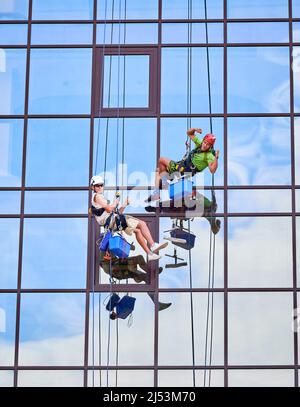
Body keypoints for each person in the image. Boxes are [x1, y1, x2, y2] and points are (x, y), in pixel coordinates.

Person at [91, 175, 168, 261]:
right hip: (114, 221)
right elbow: (109, 209)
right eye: (97, 185)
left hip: (114, 222)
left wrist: (124, 204)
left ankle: (149, 254)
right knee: (142, 224)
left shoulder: (100, 200)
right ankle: (153, 245)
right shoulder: (97, 196)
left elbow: (117, 213)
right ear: (93, 187)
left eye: (101, 185)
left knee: (138, 231)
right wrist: (115, 203)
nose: (100, 187)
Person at [146, 127, 220, 202]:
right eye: (205, 142)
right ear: (203, 140)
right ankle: (156, 194)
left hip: (184, 170)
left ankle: (165, 183)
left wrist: (216, 158)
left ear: (210, 147)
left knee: (162, 160)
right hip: (181, 166)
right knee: (158, 171)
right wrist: (194, 129)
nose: (204, 145)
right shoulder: (199, 143)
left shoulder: (209, 156)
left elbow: (212, 170)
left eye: (207, 145)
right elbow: (189, 133)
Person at [99, 251, 172, 312]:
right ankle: (151, 273)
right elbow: (107, 268)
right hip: (118, 269)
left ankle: (157, 304)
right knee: (139, 259)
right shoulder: (103, 247)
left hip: (121, 268)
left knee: (147, 278)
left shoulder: (109, 245)